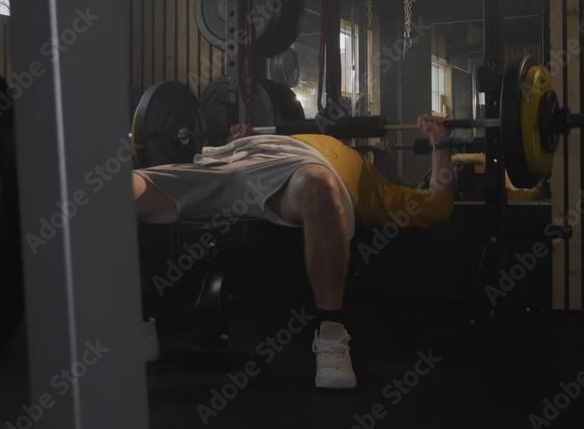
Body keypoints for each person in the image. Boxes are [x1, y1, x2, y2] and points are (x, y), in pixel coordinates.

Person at [131, 114, 455, 389]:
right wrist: (243, 136)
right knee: (128, 185)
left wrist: (440, 143)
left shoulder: (372, 183)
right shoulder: (277, 136)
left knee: (319, 185)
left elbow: (437, 205)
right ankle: (139, 319)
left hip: (300, 173)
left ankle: (330, 333)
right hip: (241, 156)